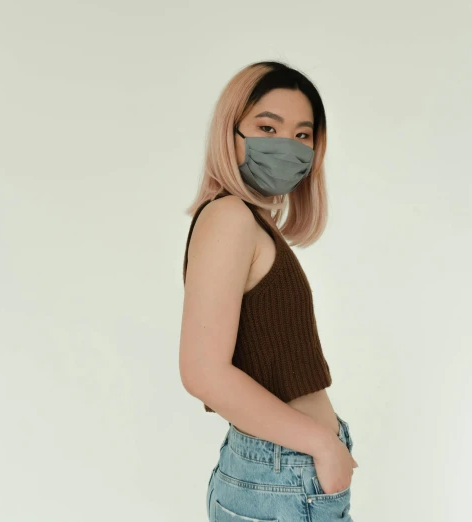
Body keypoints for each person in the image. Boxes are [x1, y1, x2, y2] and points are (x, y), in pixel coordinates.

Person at [179, 61, 358, 521]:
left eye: (303, 135)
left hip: (286, 474)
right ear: (230, 132)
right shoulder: (229, 218)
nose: (288, 145)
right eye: (267, 127)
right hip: (282, 477)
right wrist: (322, 444)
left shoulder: (249, 222)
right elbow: (203, 373)